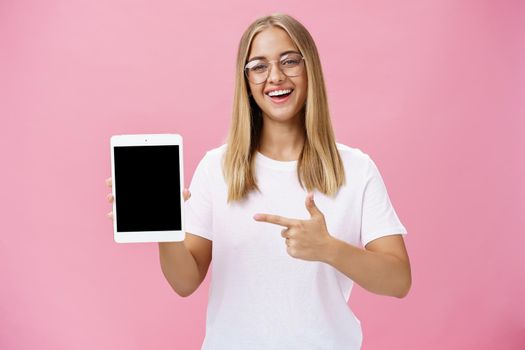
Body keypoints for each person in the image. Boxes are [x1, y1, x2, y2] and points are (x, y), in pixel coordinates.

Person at [106, 13, 411, 350]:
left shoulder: (356, 169)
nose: (275, 77)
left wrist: (330, 249)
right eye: (259, 66)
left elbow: (398, 280)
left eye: (290, 61)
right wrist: (165, 229)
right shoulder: (216, 168)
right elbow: (185, 281)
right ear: (246, 81)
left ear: (311, 69)